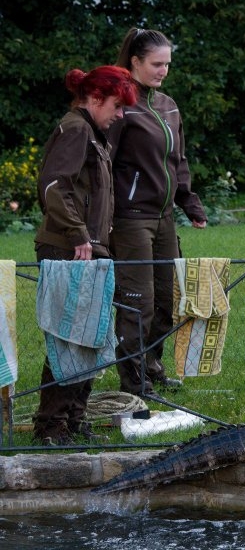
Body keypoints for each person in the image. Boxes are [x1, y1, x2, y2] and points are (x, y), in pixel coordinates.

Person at [32, 65, 138, 444]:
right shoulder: (76, 129)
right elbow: (54, 185)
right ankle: (51, 426)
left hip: (89, 247)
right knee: (69, 338)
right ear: (95, 99)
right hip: (68, 247)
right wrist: (79, 233)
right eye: (116, 105)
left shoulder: (91, 132)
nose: (120, 114)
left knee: (89, 336)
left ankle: (74, 420)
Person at [108, 27, 208, 397]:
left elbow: (177, 160)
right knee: (139, 303)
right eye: (156, 63)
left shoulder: (168, 105)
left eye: (167, 63)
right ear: (135, 62)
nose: (163, 70)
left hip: (164, 218)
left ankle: (152, 366)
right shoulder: (119, 106)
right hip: (130, 218)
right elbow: (104, 163)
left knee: (166, 299)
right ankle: (134, 383)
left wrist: (189, 202)